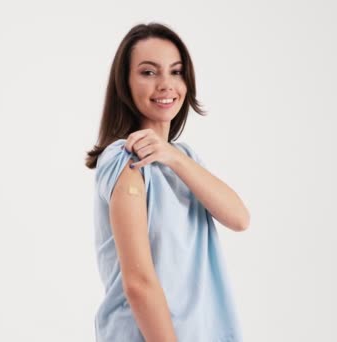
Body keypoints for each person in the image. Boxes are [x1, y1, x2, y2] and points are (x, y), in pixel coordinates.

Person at [85, 22, 250, 342]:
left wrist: (172, 156)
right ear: (125, 83)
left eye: (176, 72)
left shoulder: (183, 159)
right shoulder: (125, 160)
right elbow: (138, 282)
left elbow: (239, 218)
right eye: (148, 72)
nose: (166, 84)